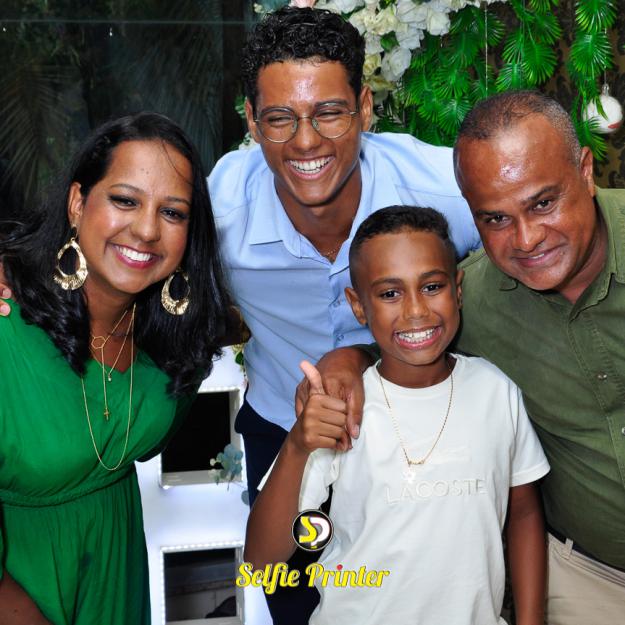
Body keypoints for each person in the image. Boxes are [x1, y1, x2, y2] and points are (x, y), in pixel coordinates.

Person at [297, 91, 625, 624]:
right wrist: (350, 358)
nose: (527, 239)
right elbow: (412, 335)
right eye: (495, 218)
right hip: (590, 582)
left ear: (585, 172)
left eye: (543, 203)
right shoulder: (475, 296)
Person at [246, 206, 549, 625]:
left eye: (432, 286)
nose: (415, 311)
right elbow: (260, 562)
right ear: (358, 306)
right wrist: (298, 447)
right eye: (390, 293)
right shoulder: (340, 404)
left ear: (458, 290)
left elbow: (524, 512)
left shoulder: (496, 391)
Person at [0, 112, 231, 624]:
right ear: (77, 203)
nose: (146, 230)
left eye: (172, 212)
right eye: (125, 200)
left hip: (115, 581)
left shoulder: (176, 338)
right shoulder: (7, 327)